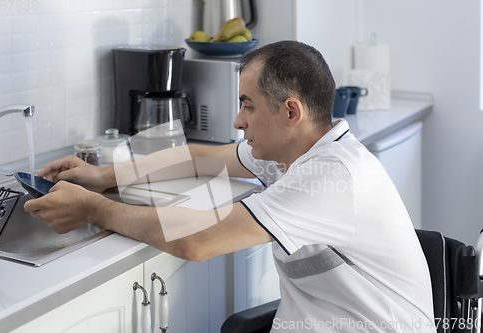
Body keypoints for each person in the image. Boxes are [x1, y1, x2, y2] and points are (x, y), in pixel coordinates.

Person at [24, 40, 435, 332]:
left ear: (291, 111)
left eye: (248, 105)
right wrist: (102, 176)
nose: (238, 121)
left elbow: (196, 241)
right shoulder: (293, 154)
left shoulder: (330, 177)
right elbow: (201, 156)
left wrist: (95, 207)